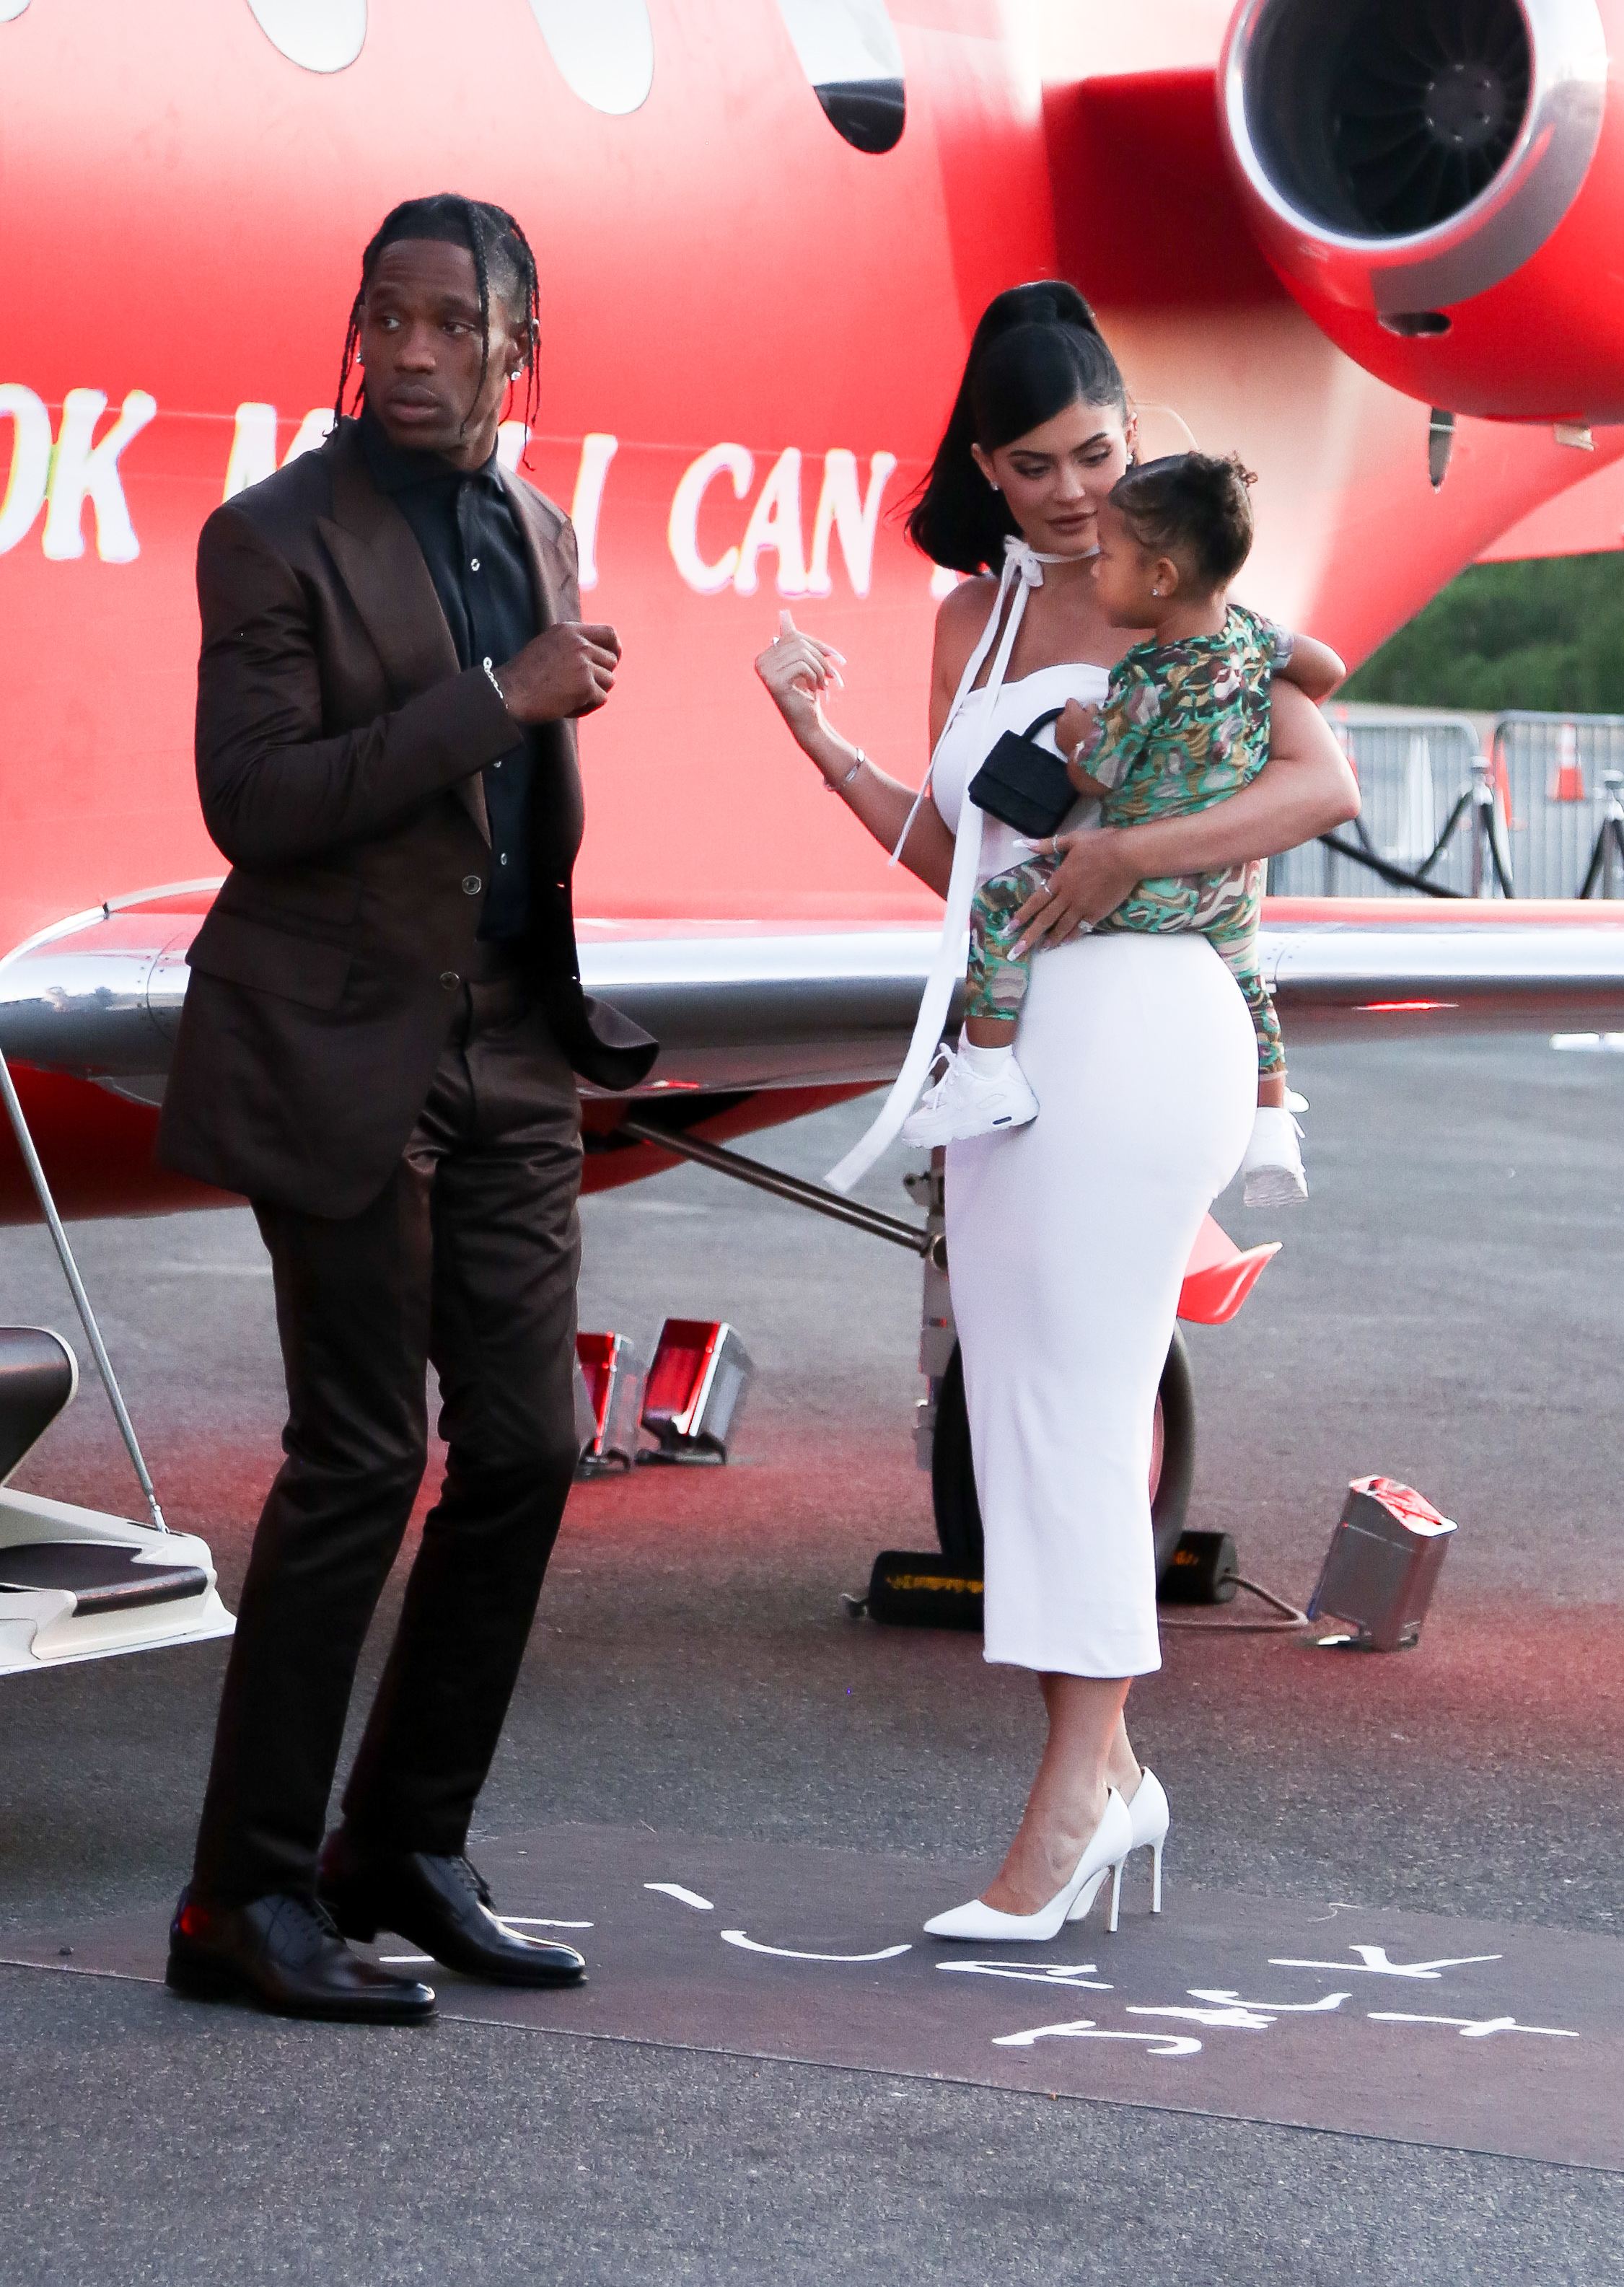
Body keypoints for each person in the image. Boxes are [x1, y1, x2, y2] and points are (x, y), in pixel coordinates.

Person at [757, 283, 1357, 1941]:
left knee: (1080, 1404)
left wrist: (1125, 854)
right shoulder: (973, 620)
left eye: (1098, 450)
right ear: (988, 470)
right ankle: (1109, 1771)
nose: (1078, 488)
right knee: (1019, 1413)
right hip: (1006, 1048)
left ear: (1132, 437)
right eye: (1038, 464)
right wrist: (820, 742)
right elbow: (962, 864)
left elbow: (1318, 783)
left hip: (1146, 1019)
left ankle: (1078, 1796)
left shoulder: (1185, 592)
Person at [157, 194, 655, 2022]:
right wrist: (495, 696)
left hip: (509, 1042)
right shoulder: (269, 534)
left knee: (525, 1446)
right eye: (390, 318)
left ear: (522, 344)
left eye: (455, 323)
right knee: (361, 1456)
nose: (417, 353)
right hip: (339, 1039)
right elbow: (256, 800)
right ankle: (242, 1896)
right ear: (356, 331)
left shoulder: (537, 523)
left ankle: (402, 1846)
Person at [909, 448, 1346, 1211]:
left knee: (1003, 903)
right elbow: (1327, 668)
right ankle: (1270, 1124)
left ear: (1160, 579)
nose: (1096, 571)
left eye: (1108, 557)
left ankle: (984, 1073)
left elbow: (1096, 778)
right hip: (1225, 890)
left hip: (1149, 888)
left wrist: (1078, 734)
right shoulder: (1253, 635)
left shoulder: (1143, 677)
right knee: (1247, 980)